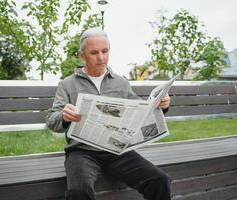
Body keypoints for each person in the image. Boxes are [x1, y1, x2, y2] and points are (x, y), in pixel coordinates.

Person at [45, 27, 171, 200]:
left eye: (105, 51)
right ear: (81, 55)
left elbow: (140, 111)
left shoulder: (120, 82)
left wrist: (160, 106)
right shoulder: (67, 84)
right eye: (94, 53)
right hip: (82, 152)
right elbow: (51, 120)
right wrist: (63, 117)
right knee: (79, 192)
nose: (101, 57)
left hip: (117, 150)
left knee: (159, 180)